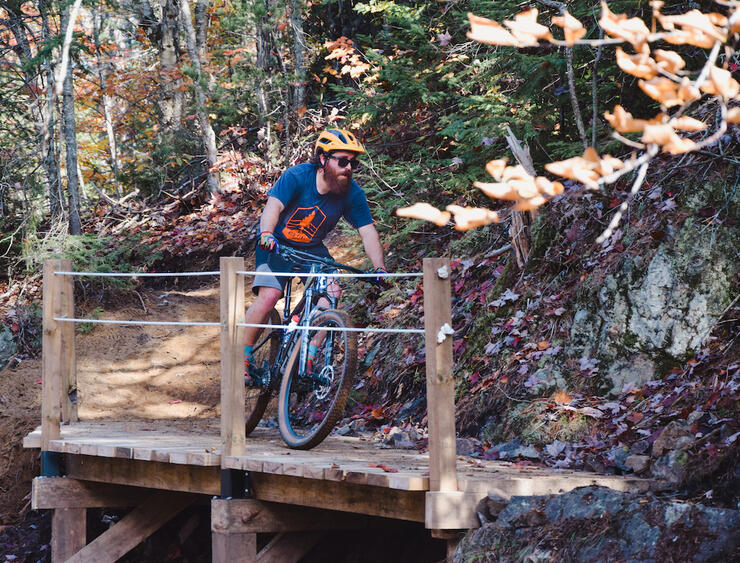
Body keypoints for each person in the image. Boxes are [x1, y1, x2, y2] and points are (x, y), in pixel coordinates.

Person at [244, 128, 387, 379]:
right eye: (343, 161)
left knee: (331, 292)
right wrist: (266, 234)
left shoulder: (352, 193)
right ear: (323, 159)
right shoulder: (298, 177)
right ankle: (242, 358)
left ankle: (307, 356)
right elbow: (273, 207)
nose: (349, 168)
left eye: (354, 163)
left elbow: (367, 231)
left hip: (311, 250)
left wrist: (379, 268)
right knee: (270, 296)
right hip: (276, 244)